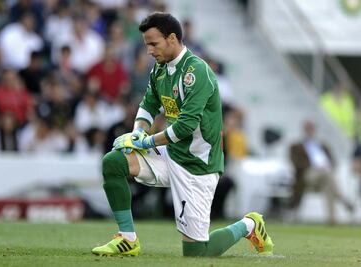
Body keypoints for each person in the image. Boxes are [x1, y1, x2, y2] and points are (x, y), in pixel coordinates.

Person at [91, 12, 274, 257]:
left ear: (172, 39)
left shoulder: (197, 72)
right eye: (146, 45)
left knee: (197, 253)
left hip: (198, 166)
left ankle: (250, 224)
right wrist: (137, 132)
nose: (149, 51)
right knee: (114, 162)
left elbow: (185, 127)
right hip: (171, 154)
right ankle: (127, 239)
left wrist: (145, 140)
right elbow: (148, 105)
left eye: (153, 44)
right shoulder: (159, 69)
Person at [289, 120, 354, 225]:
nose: (310, 131)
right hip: (308, 175)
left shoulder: (322, 145)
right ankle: (343, 199)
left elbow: (333, 162)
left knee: (327, 181)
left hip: (324, 174)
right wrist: (317, 167)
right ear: (304, 130)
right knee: (327, 175)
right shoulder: (296, 146)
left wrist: (325, 167)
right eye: (308, 129)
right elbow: (296, 163)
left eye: (312, 128)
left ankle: (331, 220)